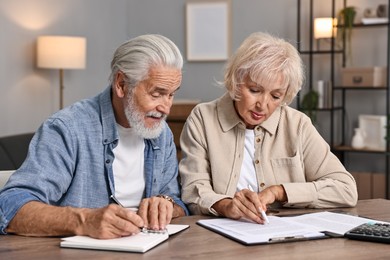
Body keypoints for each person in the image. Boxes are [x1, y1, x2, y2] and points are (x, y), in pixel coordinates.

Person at [0, 34, 189, 238]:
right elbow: (10, 206)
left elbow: (176, 202)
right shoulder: (67, 128)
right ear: (121, 84)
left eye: (171, 94)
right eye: (156, 94)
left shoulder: (161, 133)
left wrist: (165, 203)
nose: (166, 108)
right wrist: (84, 220)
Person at [179, 32, 358, 224]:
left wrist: (279, 192)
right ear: (237, 81)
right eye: (255, 91)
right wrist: (226, 206)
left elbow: (346, 190)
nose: (263, 105)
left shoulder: (297, 124)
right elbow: (193, 190)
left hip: (286, 238)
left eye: (275, 96)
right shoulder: (203, 118)